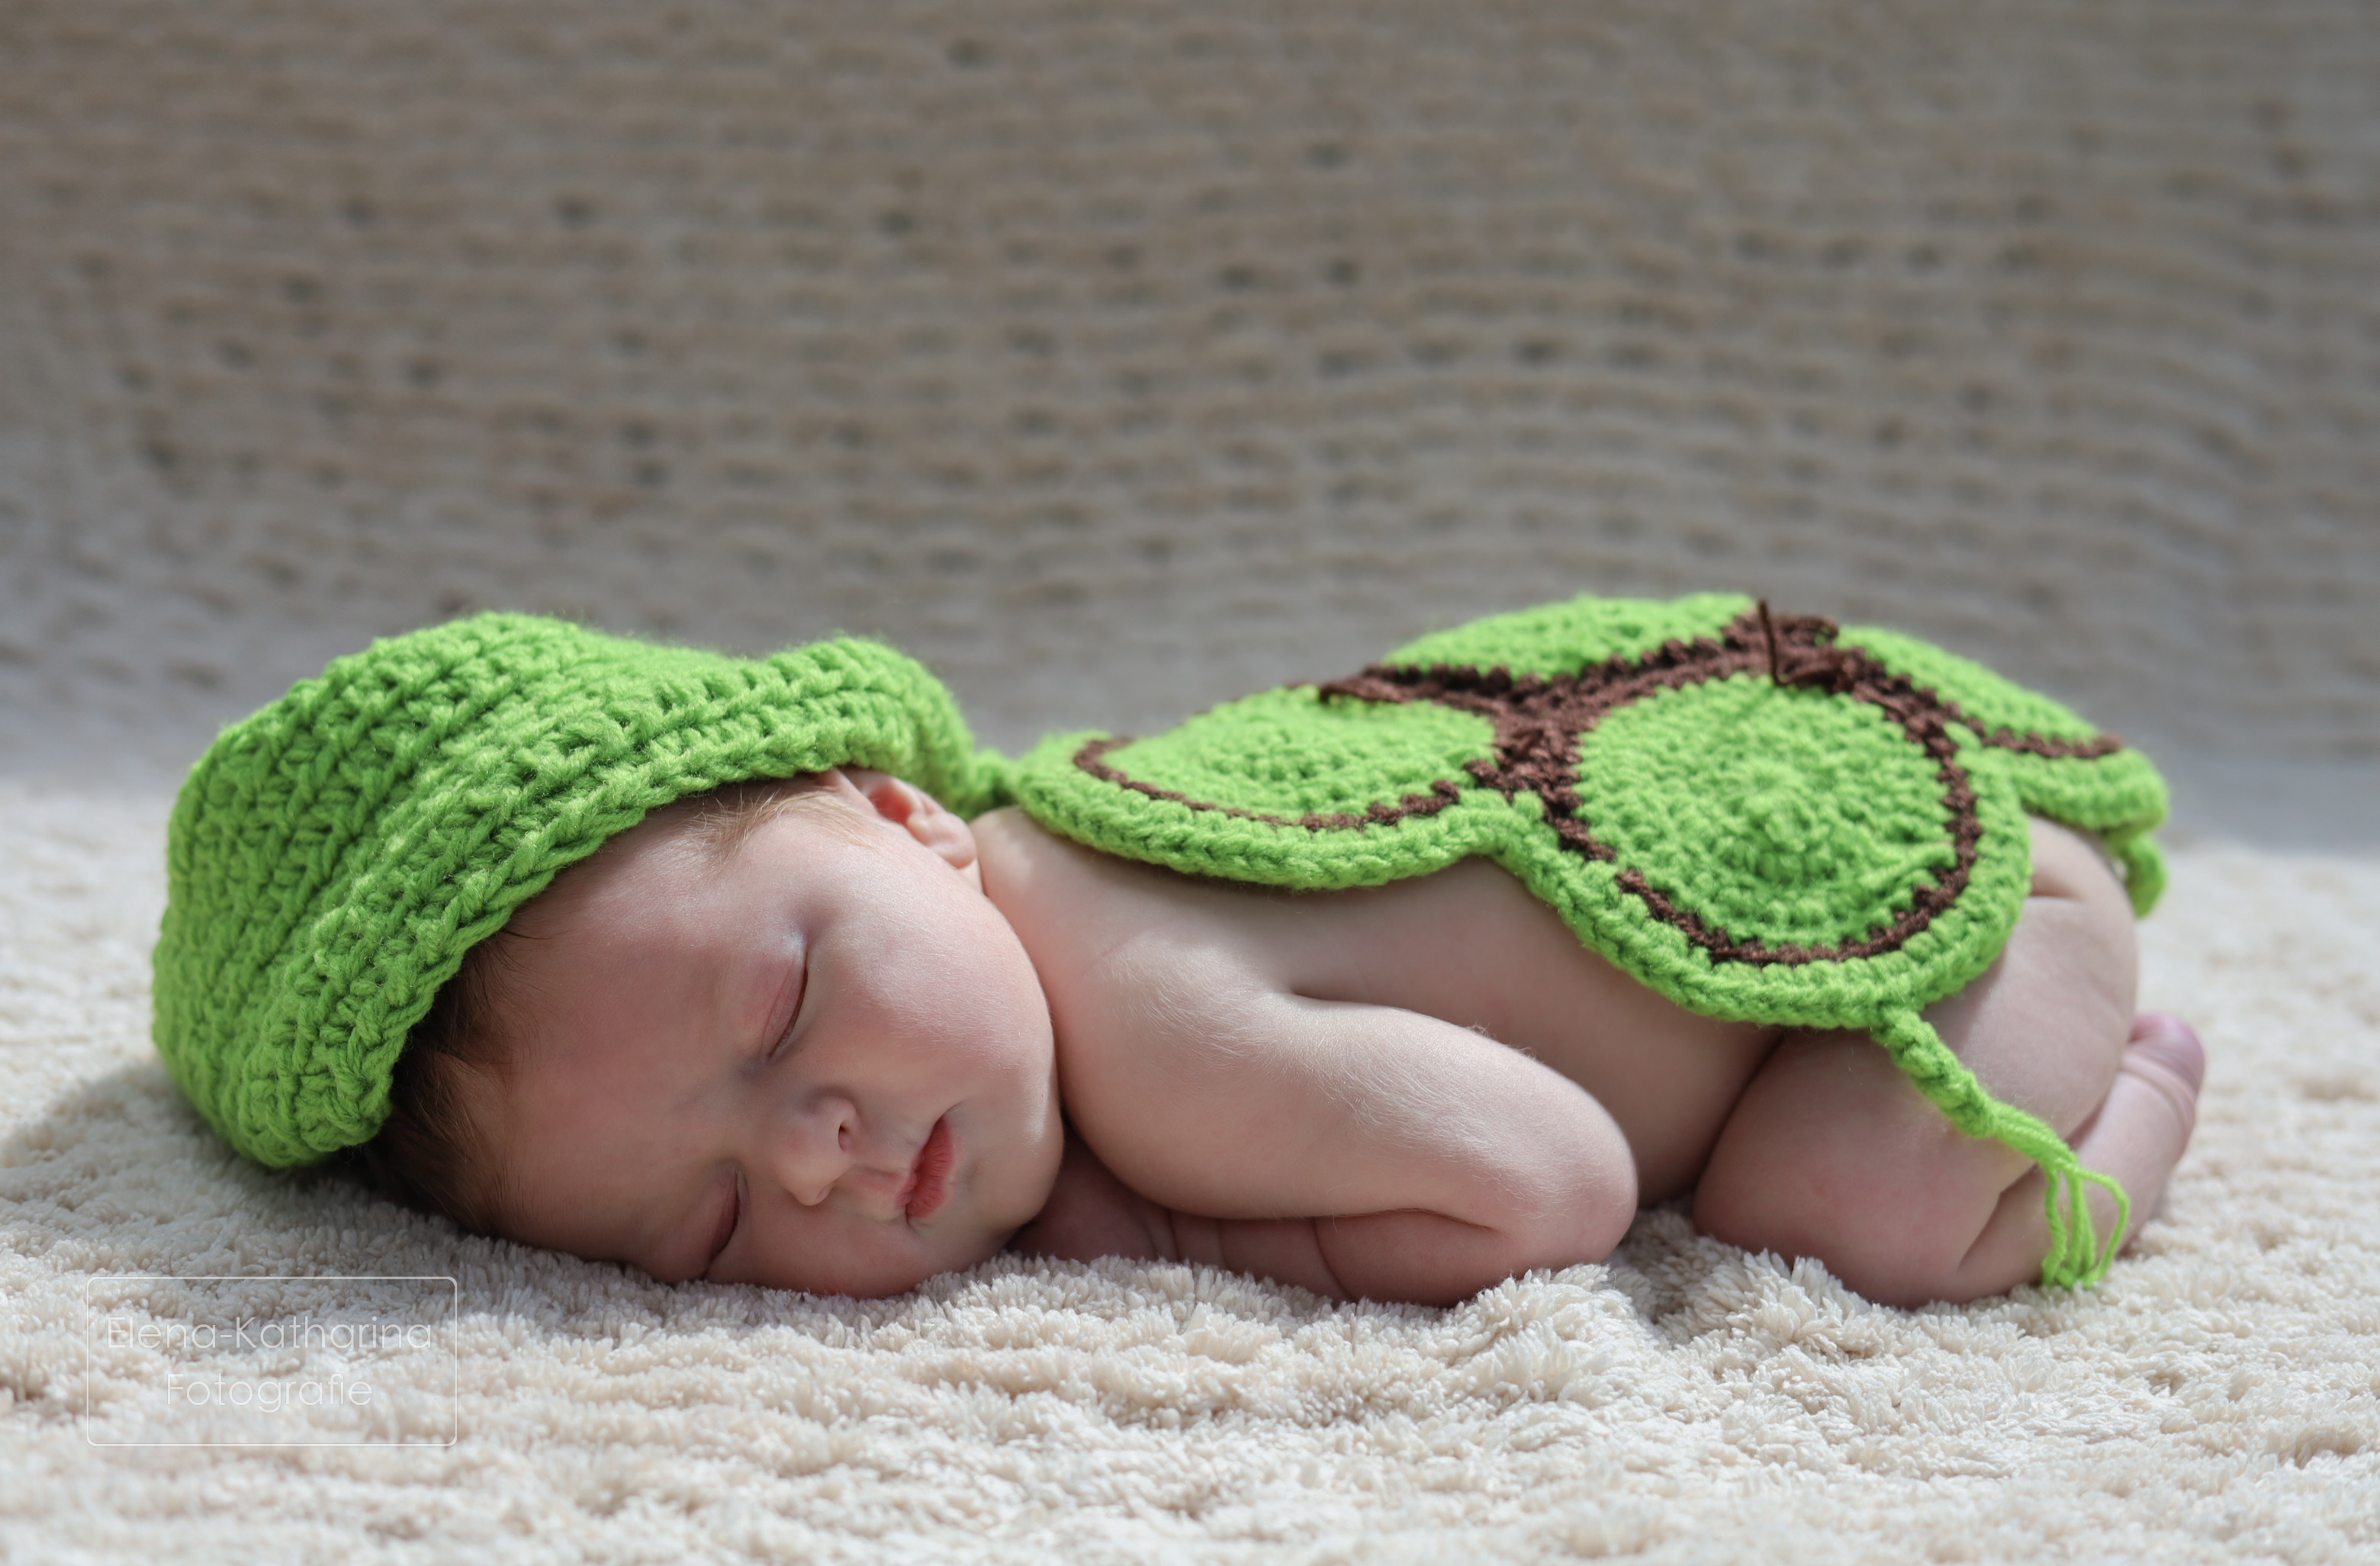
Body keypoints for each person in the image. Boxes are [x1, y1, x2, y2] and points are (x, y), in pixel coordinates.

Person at [152, 596, 2205, 1310]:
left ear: (907, 815)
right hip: (1784, 822)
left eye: (783, 1011)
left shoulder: (1159, 1028)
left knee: (1840, 1212)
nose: (820, 1150)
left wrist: (1209, 1241)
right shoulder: (1041, 911)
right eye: (705, 1229)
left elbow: (1552, 1186)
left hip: (1934, 891)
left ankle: (2142, 1094)